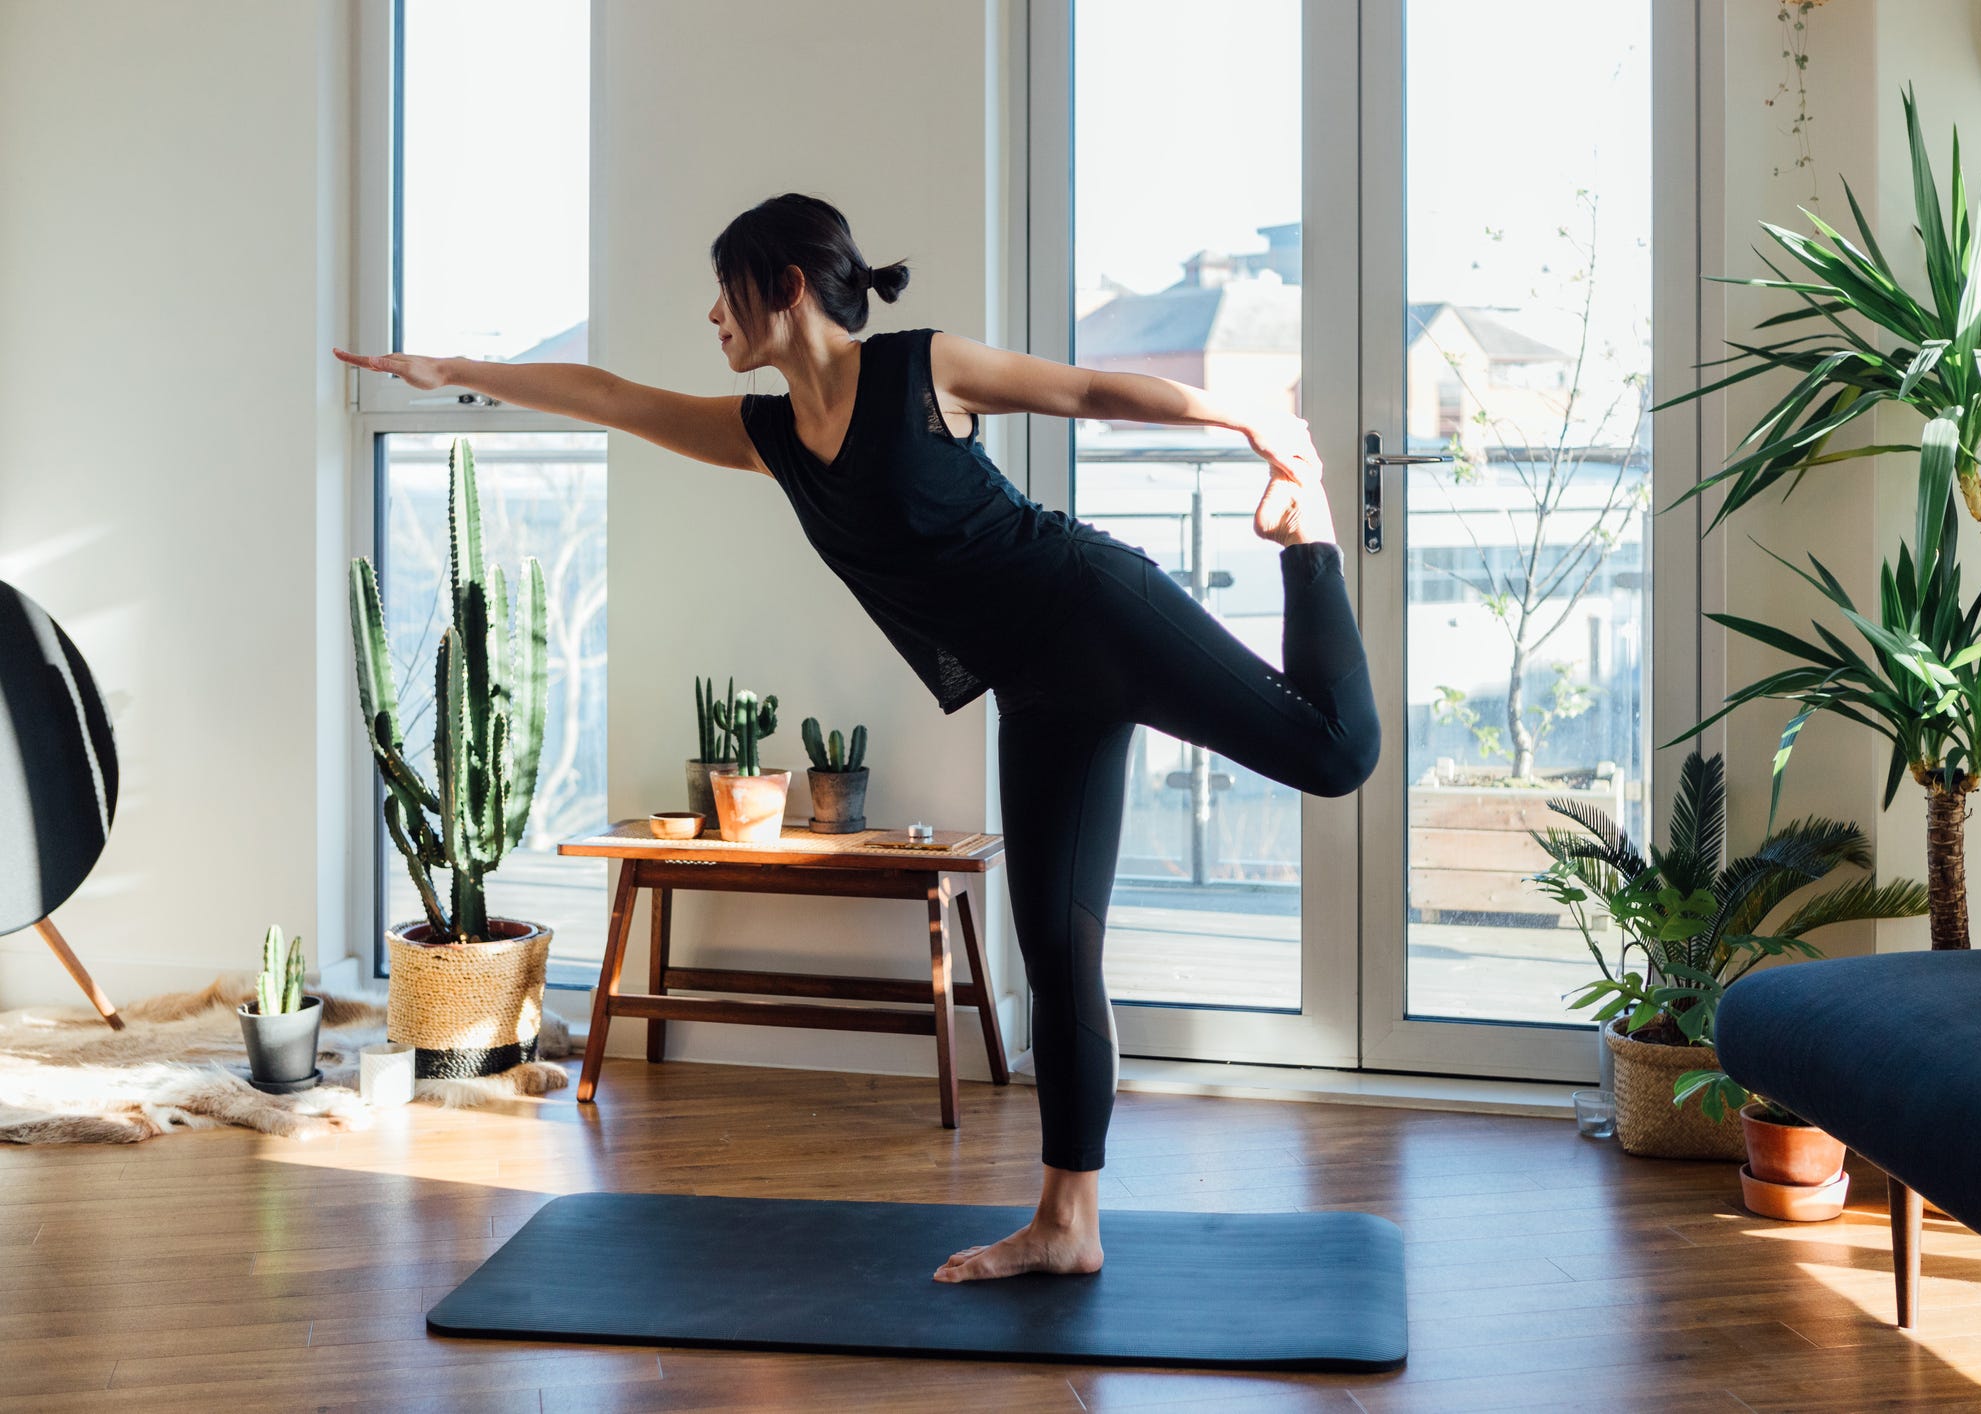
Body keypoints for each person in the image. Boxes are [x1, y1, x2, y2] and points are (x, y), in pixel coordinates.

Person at [333, 191, 1380, 1284]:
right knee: (1061, 953)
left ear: (784, 289)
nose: (711, 316)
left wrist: (1242, 421)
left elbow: (1081, 388)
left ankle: (1308, 544)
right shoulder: (772, 436)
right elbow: (609, 395)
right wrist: (454, 364)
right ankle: (1069, 1223)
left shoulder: (923, 369)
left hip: (1094, 606)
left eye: (725, 292)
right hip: (1034, 687)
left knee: (1334, 755)